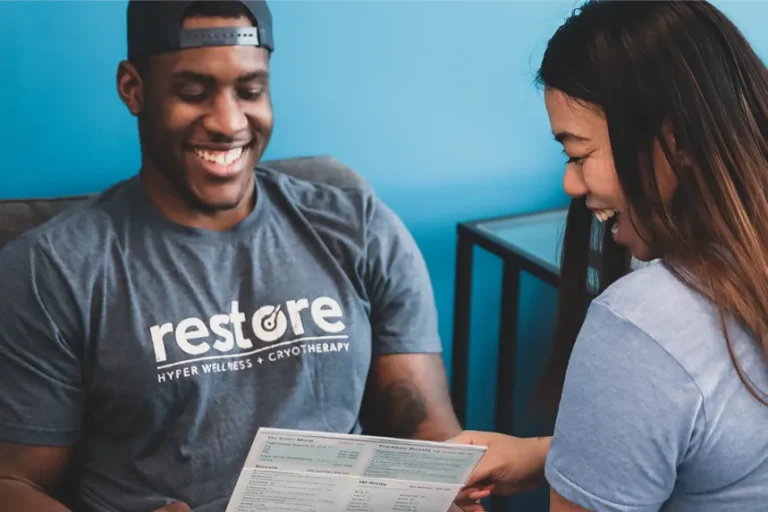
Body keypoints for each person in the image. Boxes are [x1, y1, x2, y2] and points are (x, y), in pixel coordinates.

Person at [0, 1, 461, 511]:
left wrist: (451, 495)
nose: (228, 122)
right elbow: (14, 483)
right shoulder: (53, 270)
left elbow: (427, 431)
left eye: (250, 91)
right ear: (134, 89)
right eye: (193, 93)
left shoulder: (360, 228)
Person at [450, 0, 768, 510]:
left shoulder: (642, 326)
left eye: (579, 154)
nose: (569, 182)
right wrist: (551, 456)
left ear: (674, 138)